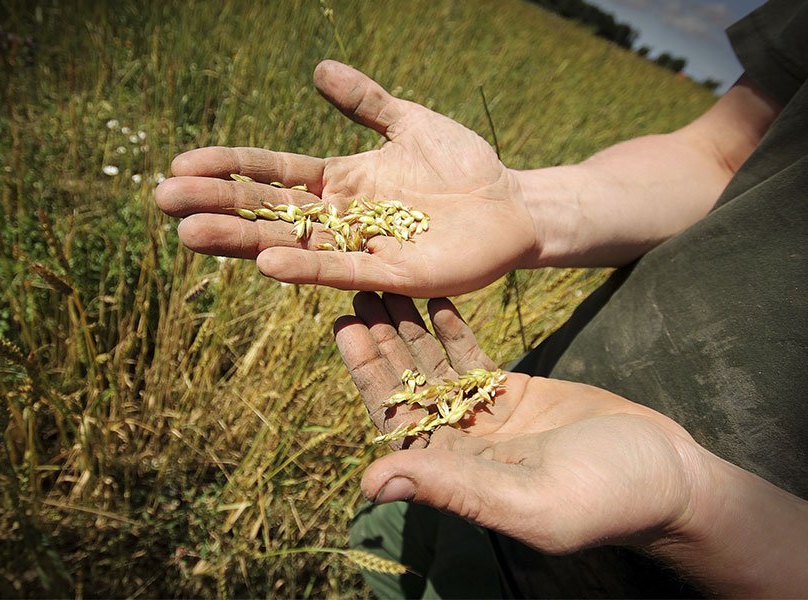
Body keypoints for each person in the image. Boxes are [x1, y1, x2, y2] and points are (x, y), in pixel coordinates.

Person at [155, 0, 807, 595]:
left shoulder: (677, 504)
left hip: (630, 552)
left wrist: (697, 508)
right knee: (384, 565)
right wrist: (526, 207)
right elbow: (727, 155)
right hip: (496, 415)